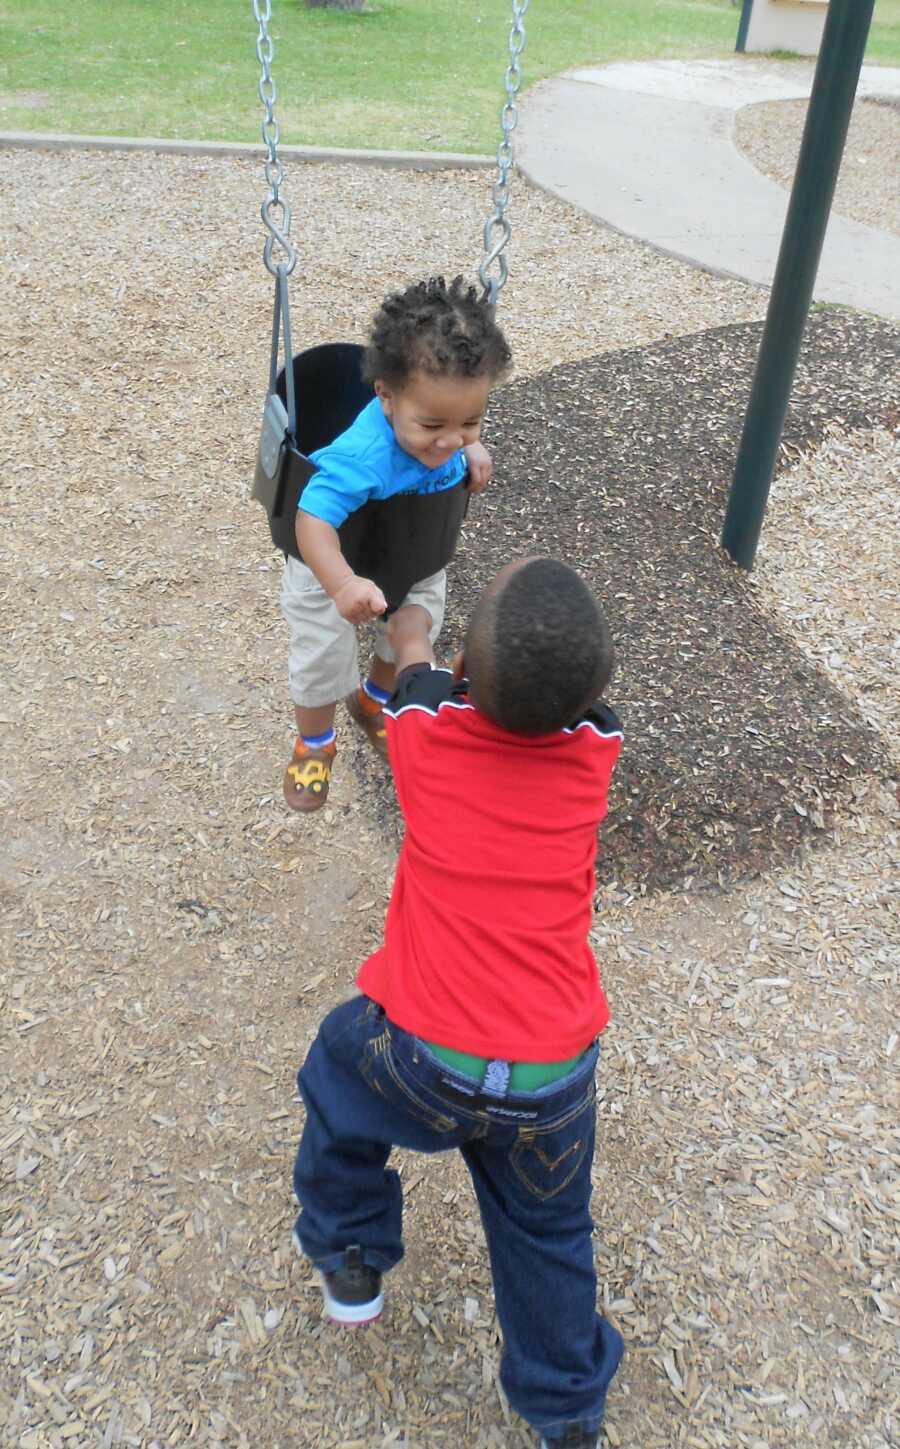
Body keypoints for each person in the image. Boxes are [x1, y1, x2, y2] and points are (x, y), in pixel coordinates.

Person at [291, 558, 625, 1449]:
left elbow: (410, 665)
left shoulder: (428, 737)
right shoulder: (595, 757)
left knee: (336, 1063)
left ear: (467, 680)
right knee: (548, 1229)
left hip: (425, 1056)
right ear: (594, 697)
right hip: (552, 1077)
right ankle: (564, 1409)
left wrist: (409, 635)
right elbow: (565, 698)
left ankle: (350, 1252)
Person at [281, 274, 511, 813]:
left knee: (414, 626)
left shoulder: (441, 433)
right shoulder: (361, 456)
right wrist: (340, 583)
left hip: (413, 552)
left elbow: (450, 439)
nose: (450, 439)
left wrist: (470, 452)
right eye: (433, 424)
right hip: (333, 567)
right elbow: (311, 519)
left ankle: (375, 700)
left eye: (470, 422)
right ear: (385, 395)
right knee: (320, 657)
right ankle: (315, 743)